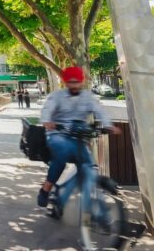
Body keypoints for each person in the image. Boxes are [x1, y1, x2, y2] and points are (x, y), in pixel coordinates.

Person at [36, 66, 119, 208]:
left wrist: (108, 125)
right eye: (70, 82)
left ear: (82, 82)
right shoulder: (56, 96)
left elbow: (100, 111)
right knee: (61, 155)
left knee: (88, 165)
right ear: (65, 82)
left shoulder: (88, 97)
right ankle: (45, 189)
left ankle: (85, 193)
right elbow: (47, 111)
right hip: (58, 134)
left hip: (78, 136)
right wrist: (47, 121)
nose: (73, 85)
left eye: (76, 82)